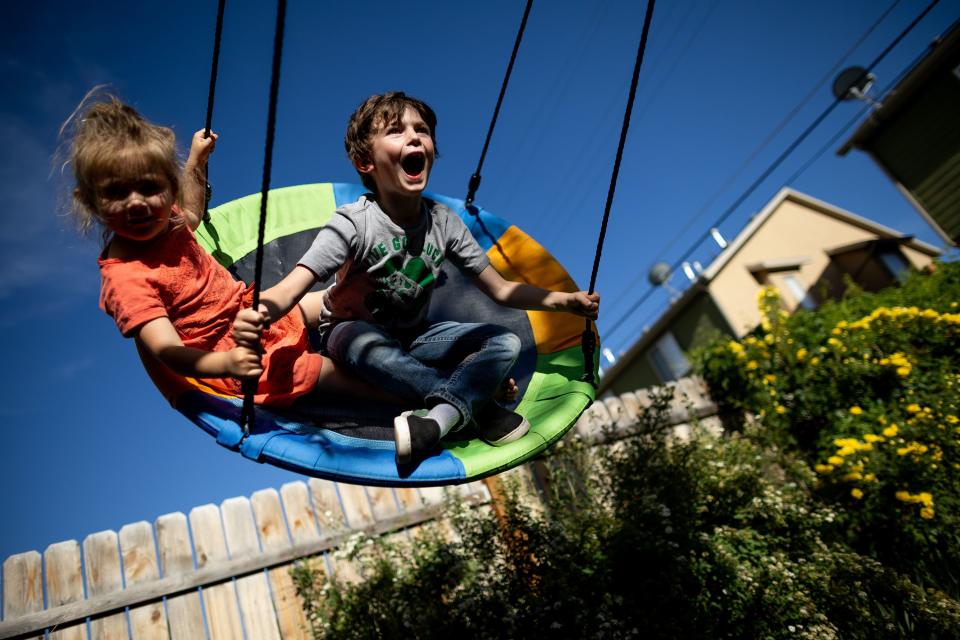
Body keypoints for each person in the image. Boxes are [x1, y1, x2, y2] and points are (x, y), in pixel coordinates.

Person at [235, 92, 600, 465]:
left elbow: (502, 290)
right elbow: (294, 285)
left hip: (414, 337)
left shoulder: (445, 223)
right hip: (348, 331)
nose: (414, 137)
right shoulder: (353, 222)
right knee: (366, 344)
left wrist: (564, 301)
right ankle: (480, 408)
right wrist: (260, 310)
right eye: (396, 131)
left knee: (503, 342)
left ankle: (437, 421)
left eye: (421, 130)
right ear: (365, 161)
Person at [64, 91, 379, 408]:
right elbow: (167, 351)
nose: (136, 202)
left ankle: (400, 310)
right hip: (222, 353)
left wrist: (196, 163)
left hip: (247, 312)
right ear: (90, 200)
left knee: (336, 297)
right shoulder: (126, 279)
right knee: (325, 372)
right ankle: (403, 399)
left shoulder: (164, 218)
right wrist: (229, 363)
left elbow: (191, 215)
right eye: (116, 193)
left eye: (149, 187)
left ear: (168, 186)